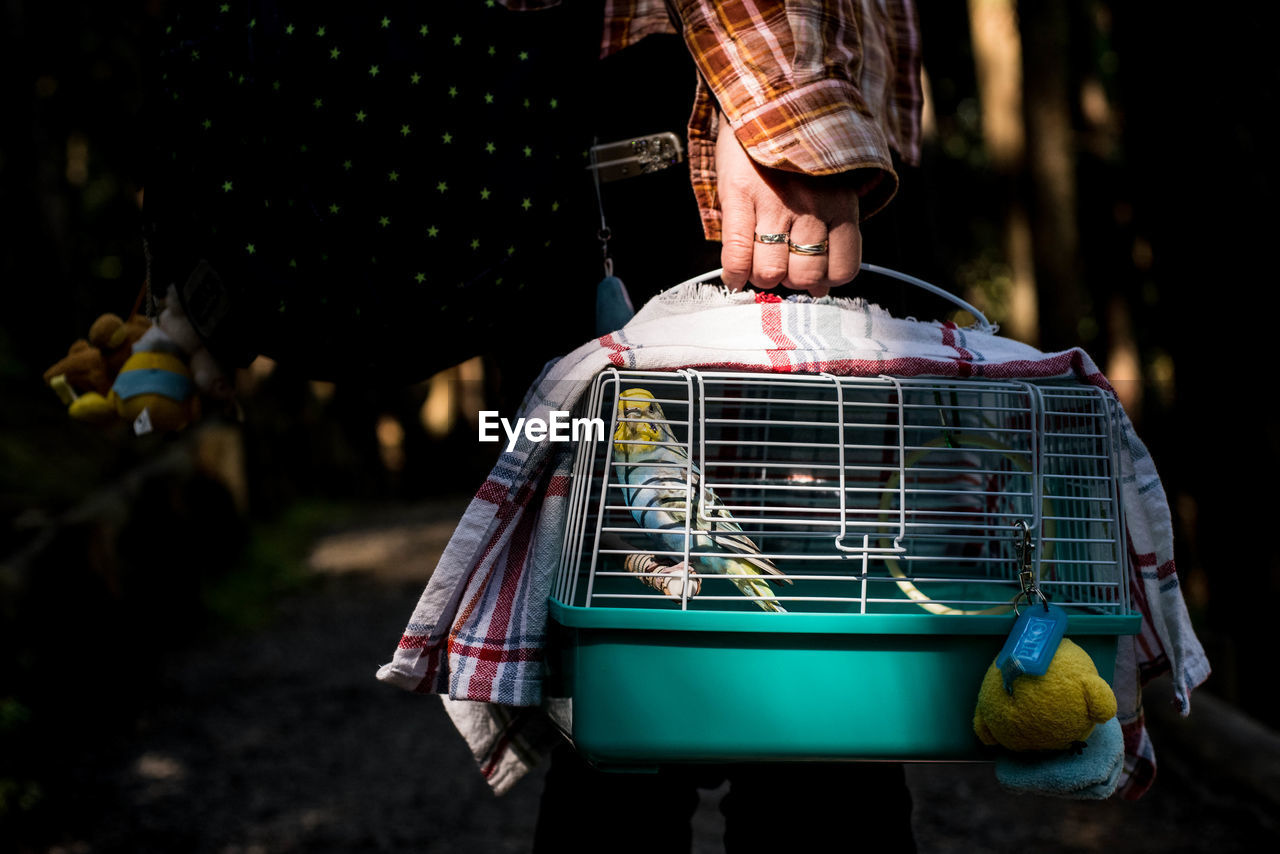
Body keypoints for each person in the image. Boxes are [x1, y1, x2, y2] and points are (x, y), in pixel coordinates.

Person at [530, 2, 924, 851]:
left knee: (796, 693)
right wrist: (787, 119)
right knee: (750, 699)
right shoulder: (779, 126)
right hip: (731, 130)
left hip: (812, 135)